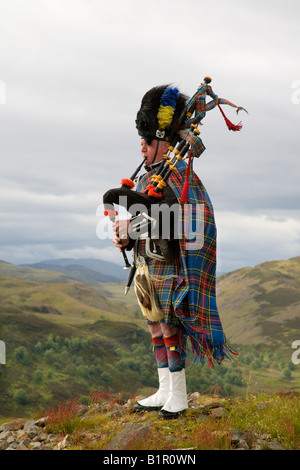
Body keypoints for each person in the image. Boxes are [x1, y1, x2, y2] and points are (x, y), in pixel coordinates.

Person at [110, 82, 239, 419]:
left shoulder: (179, 175)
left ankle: (179, 396)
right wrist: (125, 237)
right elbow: (143, 218)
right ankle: (164, 389)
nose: (142, 148)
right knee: (155, 325)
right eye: (141, 141)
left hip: (170, 262)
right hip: (147, 265)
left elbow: (174, 221)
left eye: (147, 141)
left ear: (163, 141)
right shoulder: (148, 177)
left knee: (170, 327)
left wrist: (131, 228)